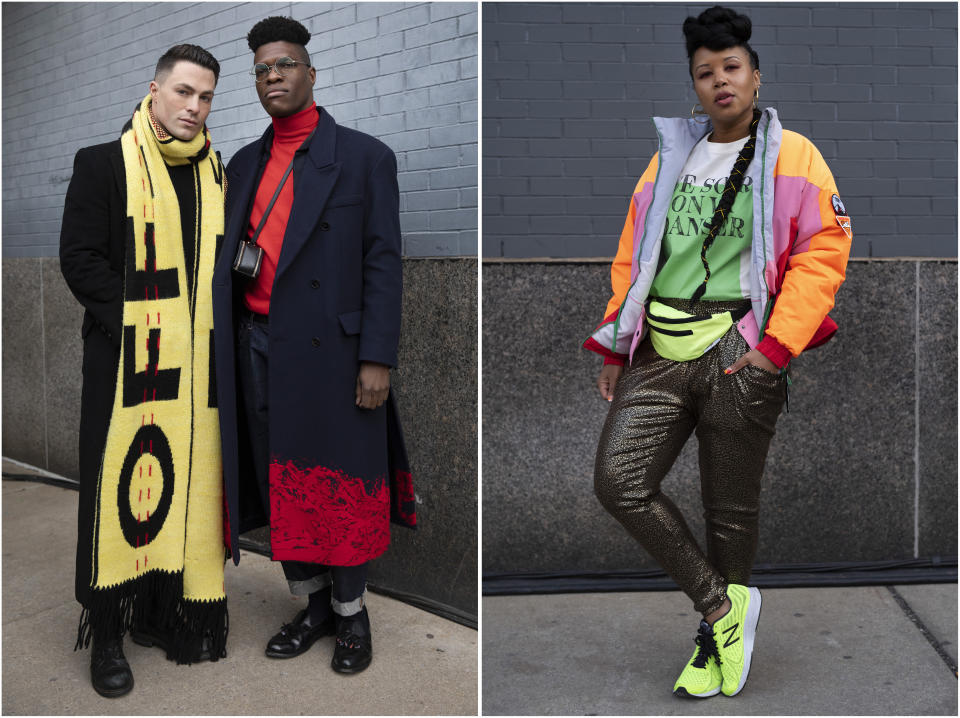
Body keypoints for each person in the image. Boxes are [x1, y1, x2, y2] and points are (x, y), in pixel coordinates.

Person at [586, 5, 851, 699]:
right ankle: (721, 604)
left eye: (730, 67)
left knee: (729, 508)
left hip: (739, 344)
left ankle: (716, 645)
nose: (719, 81)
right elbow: (634, 256)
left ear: (755, 76)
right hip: (660, 348)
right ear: (695, 86)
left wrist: (774, 347)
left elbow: (822, 253)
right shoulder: (670, 156)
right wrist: (618, 344)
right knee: (619, 480)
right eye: (705, 73)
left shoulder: (795, 155)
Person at [212, 16, 416, 676]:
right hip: (259, 347)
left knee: (342, 488)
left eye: (285, 64)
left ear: (311, 73)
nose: (274, 76)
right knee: (285, 485)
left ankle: (352, 614)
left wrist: (376, 358)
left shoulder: (364, 157)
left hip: (335, 355)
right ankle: (311, 604)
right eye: (263, 70)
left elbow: (384, 261)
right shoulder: (242, 163)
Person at [60, 44, 228, 697]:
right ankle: (106, 631)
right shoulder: (103, 163)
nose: (194, 106)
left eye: (206, 96)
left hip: (195, 374)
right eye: (184, 91)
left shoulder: (213, 173)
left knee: (180, 485)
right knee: (115, 491)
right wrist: (147, 326)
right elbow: (81, 260)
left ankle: (159, 613)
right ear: (154, 89)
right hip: (127, 362)